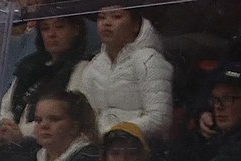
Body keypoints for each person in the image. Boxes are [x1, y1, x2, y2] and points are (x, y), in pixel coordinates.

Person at [68, 6, 173, 139]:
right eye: (102, 17)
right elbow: (88, 115)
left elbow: (160, 119)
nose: (107, 23)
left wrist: (114, 133)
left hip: (138, 145)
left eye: (116, 17)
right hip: (99, 145)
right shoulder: (94, 66)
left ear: (135, 25)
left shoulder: (149, 60)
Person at [0, 16, 91, 147]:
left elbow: (65, 116)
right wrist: (6, 123)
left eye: (59, 27)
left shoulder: (83, 68)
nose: (52, 34)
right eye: (45, 29)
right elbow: (5, 105)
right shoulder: (30, 66)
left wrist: (21, 132)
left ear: (75, 30)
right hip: (12, 140)